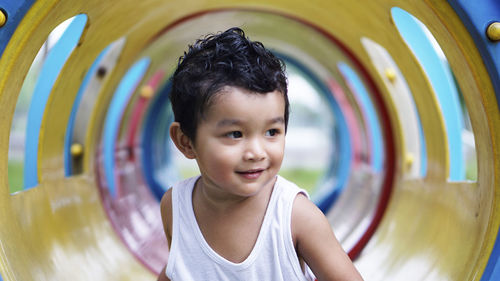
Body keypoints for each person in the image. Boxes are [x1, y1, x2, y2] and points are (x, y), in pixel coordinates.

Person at [158, 27, 363, 281]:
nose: (256, 152)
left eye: (271, 132)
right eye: (235, 134)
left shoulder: (296, 217)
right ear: (185, 141)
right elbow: (180, 267)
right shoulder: (175, 206)